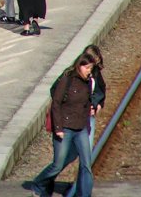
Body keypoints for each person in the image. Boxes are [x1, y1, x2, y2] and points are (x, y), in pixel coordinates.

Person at [31, 51, 98, 197]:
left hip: (80, 129)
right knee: (57, 165)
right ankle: (39, 183)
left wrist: (92, 110)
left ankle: (85, 195)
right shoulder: (67, 79)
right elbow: (56, 103)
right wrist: (58, 128)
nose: (89, 71)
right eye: (87, 68)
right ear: (79, 66)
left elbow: (87, 102)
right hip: (65, 128)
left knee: (86, 164)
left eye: (91, 68)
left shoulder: (89, 82)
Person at [64, 45, 106, 197]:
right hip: (72, 121)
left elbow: (101, 91)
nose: (92, 68)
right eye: (90, 65)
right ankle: (43, 181)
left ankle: (83, 193)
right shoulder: (70, 75)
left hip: (87, 121)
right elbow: (57, 93)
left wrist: (98, 104)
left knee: (85, 159)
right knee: (65, 158)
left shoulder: (95, 73)